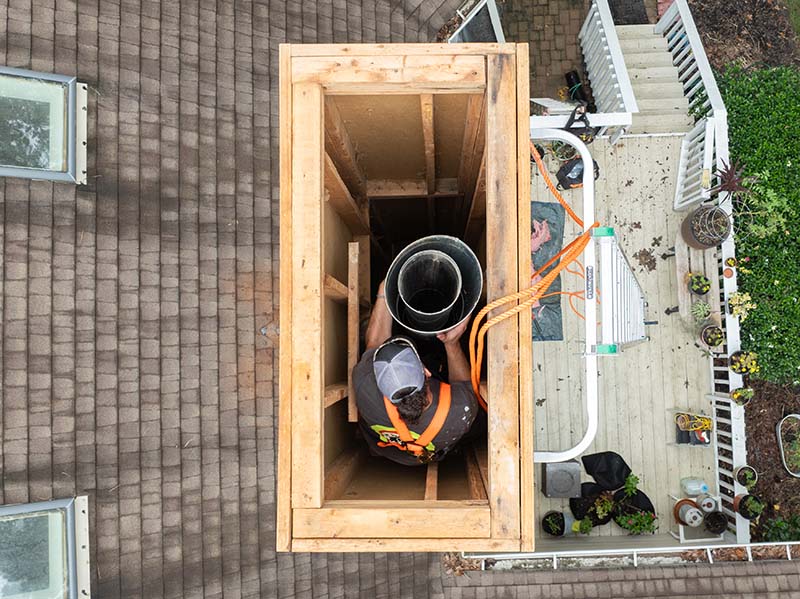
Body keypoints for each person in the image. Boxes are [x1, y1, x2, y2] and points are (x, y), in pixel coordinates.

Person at [353, 280, 479, 466]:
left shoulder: (364, 383)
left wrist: (384, 291)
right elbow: (465, 385)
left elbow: (373, 344)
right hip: (429, 452)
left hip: (386, 448)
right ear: (426, 371)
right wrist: (451, 344)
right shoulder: (460, 411)